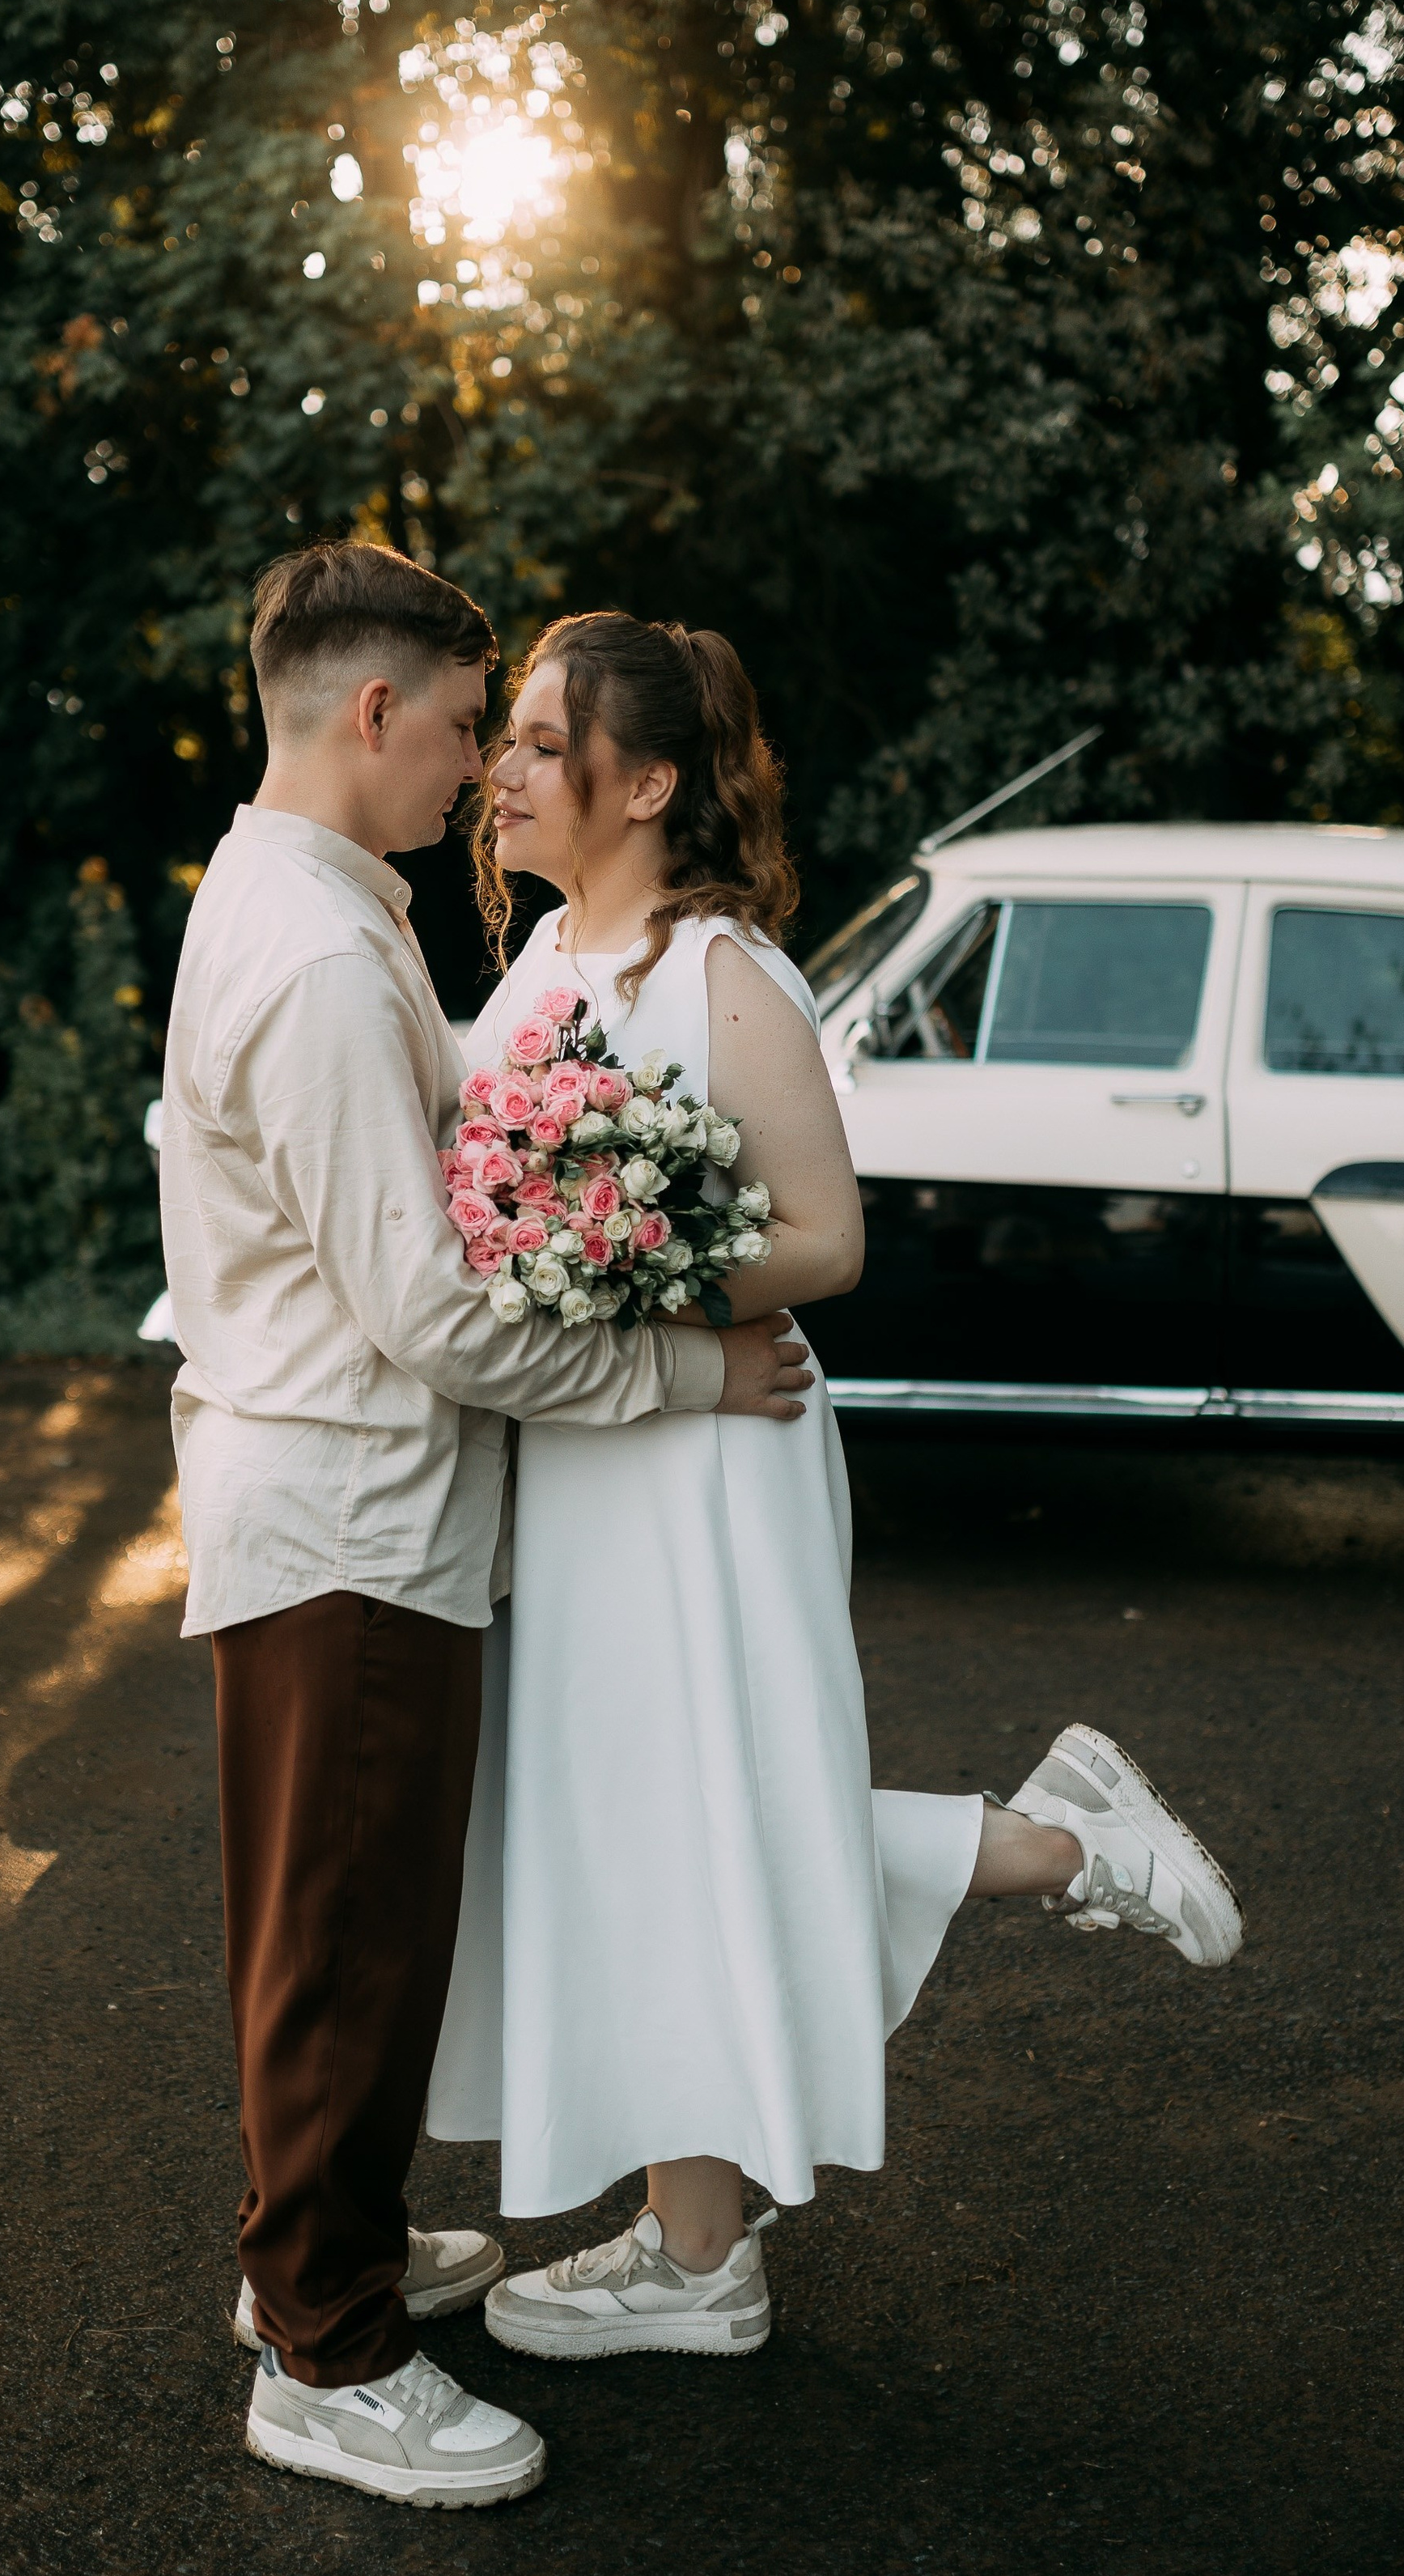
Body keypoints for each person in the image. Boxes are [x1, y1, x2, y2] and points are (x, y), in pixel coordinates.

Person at [423, 610, 1244, 2361]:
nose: (502, 763)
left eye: (542, 736)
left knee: (707, 1814)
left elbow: (823, 1241)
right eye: (505, 733)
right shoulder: (541, 966)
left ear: (644, 781)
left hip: (710, 1462)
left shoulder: (722, 976)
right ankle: (698, 2240)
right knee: (632, 1828)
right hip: (584, 1461)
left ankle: (1063, 1859)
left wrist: (613, 1264)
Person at [157, 546, 813, 2510]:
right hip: (352, 1515)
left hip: (344, 1505)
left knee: (343, 1916)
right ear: (374, 715)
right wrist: (686, 1376)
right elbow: (432, 1312)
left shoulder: (301, 901)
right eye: (463, 726)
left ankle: (325, 2243)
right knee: (344, 1937)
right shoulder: (315, 953)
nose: (475, 770)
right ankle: (330, 2355)